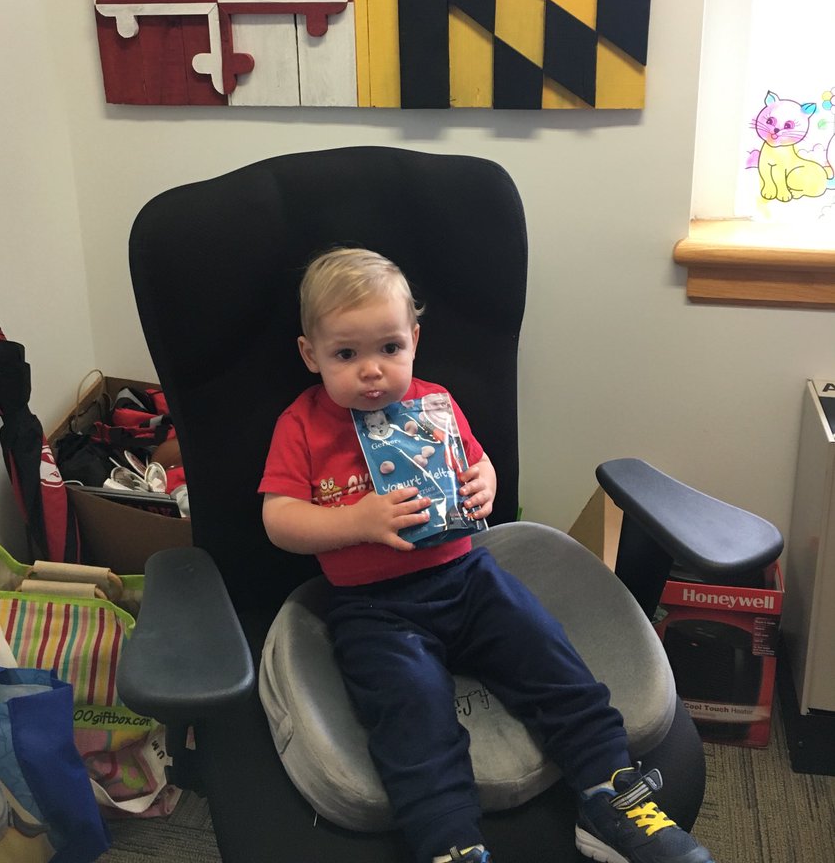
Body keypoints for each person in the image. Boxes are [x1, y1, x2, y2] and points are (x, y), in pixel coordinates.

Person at [259, 247, 715, 863]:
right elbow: (279, 521)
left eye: (389, 348)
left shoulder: (434, 406)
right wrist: (356, 520)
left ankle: (610, 794)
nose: (372, 371)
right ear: (310, 356)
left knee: (554, 661)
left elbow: (477, 465)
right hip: (374, 608)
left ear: (413, 341)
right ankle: (450, 843)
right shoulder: (303, 425)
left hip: (466, 577)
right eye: (347, 354)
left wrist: (486, 482)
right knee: (411, 717)